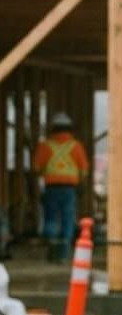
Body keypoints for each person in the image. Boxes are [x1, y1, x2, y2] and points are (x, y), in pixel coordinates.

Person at [32, 111, 89, 262]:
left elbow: (37, 168)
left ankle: (52, 249)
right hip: (69, 189)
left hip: (51, 187)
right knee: (68, 218)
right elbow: (83, 170)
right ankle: (63, 253)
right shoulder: (76, 146)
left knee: (50, 217)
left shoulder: (45, 146)